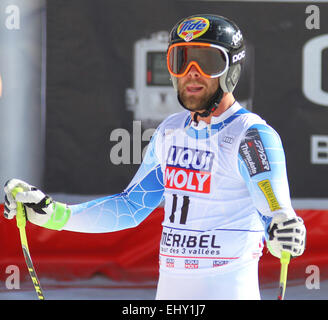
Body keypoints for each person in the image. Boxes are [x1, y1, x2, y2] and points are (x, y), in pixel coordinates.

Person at [3, 14, 306, 300]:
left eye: (207, 62)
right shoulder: (170, 131)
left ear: (232, 69)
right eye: (181, 60)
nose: (192, 74)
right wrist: (52, 213)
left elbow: (276, 212)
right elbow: (131, 206)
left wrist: (285, 229)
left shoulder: (250, 135)